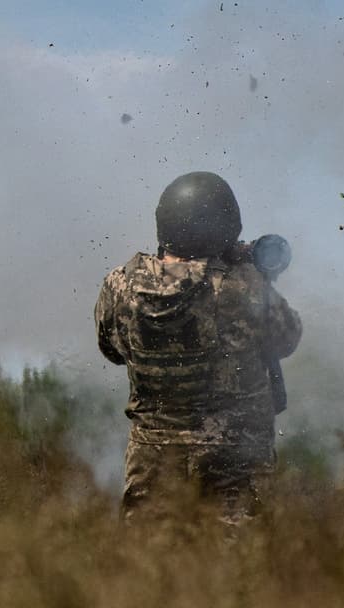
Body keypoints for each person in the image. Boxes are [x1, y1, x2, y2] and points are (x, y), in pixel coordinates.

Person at [94, 171, 302, 526]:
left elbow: (111, 350)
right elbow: (288, 337)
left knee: (149, 570)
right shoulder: (243, 288)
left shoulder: (120, 287)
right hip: (235, 463)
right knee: (235, 572)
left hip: (154, 461)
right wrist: (253, 274)